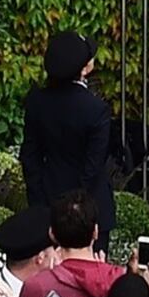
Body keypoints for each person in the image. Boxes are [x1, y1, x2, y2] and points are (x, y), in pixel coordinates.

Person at [16, 30, 119, 233]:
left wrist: (39, 201)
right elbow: (93, 165)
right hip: (91, 208)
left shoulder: (37, 103)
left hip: (49, 202)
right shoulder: (96, 109)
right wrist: (76, 205)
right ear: (84, 69)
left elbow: (29, 156)